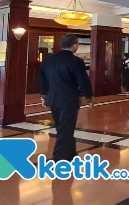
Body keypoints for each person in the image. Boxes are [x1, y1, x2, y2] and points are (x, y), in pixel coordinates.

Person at [39, 34, 93, 162]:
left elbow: (42, 78)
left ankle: (71, 154)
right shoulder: (76, 62)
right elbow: (83, 81)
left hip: (53, 99)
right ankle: (58, 159)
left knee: (62, 128)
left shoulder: (49, 60)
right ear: (74, 45)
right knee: (65, 130)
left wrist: (44, 95)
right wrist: (89, 97)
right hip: (69, 100)